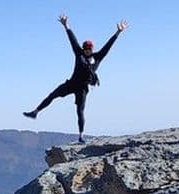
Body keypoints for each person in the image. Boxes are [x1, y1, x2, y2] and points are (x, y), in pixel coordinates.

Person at [24, 15, 129, 143]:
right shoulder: (79, 54)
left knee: (80, 110)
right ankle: (35, 112)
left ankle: (81, 136)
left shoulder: (98, 57)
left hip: (82, 88)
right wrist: (66, 26)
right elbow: (72, 40)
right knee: (52, 95)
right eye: (85, 49)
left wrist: (118, 32)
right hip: (71, 83)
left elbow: (108, 46)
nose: (86, 51)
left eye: (88, 49)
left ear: (92, 49)